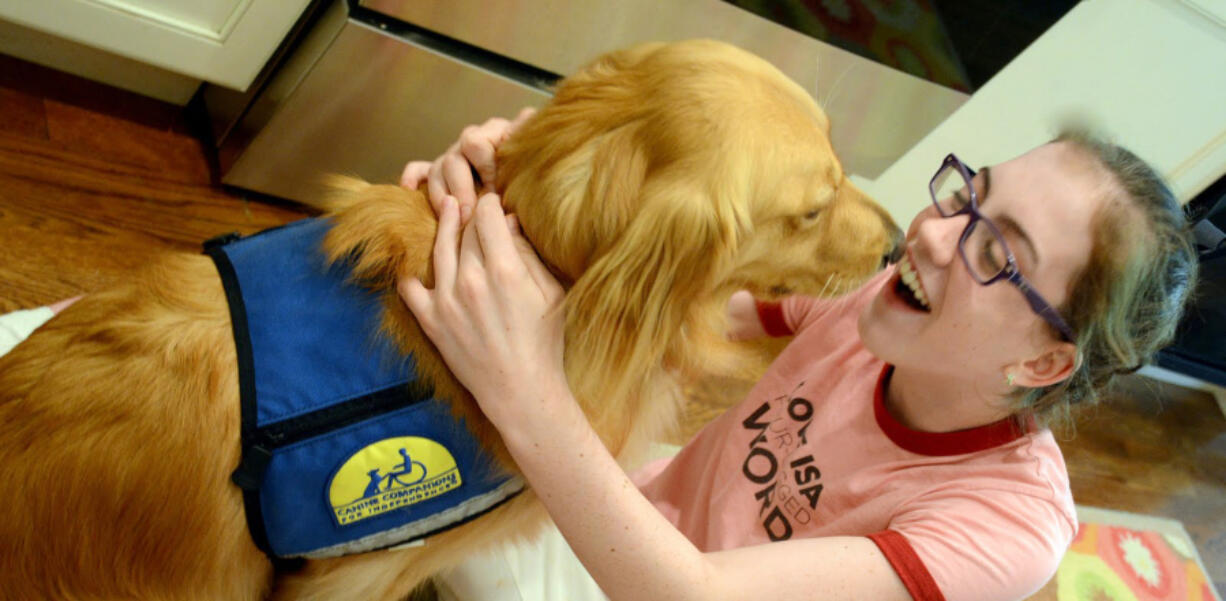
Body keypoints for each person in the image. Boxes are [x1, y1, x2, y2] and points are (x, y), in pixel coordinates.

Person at [396, 112, 1198, 601]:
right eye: (969, 194)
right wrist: (534, 188)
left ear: (1043, 364)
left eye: (993, 247)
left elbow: (689, 591)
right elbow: (701, 306)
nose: (928, 231)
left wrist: (527, 390)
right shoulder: (891, 307)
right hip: (622, 535)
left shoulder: (1009, 525)